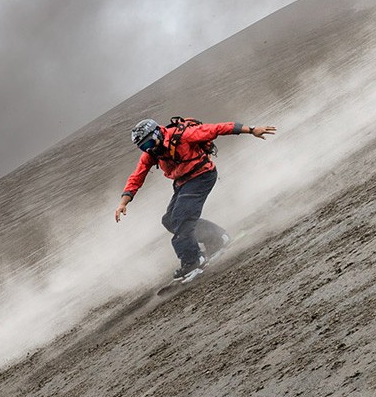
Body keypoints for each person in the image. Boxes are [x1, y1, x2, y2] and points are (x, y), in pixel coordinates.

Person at [114, 117, 276, 281]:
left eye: (148, 144)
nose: (147, 149)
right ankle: (217, 238)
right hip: (183, 182)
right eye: (143, 147)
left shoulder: (183, 135)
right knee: (170, 220)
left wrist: (251, 129)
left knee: (181, 218)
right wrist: (123, 202)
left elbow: (217, 128)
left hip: (202, 176)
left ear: (157, 134)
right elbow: (137, 176)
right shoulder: (151, 154)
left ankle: (193, 260)